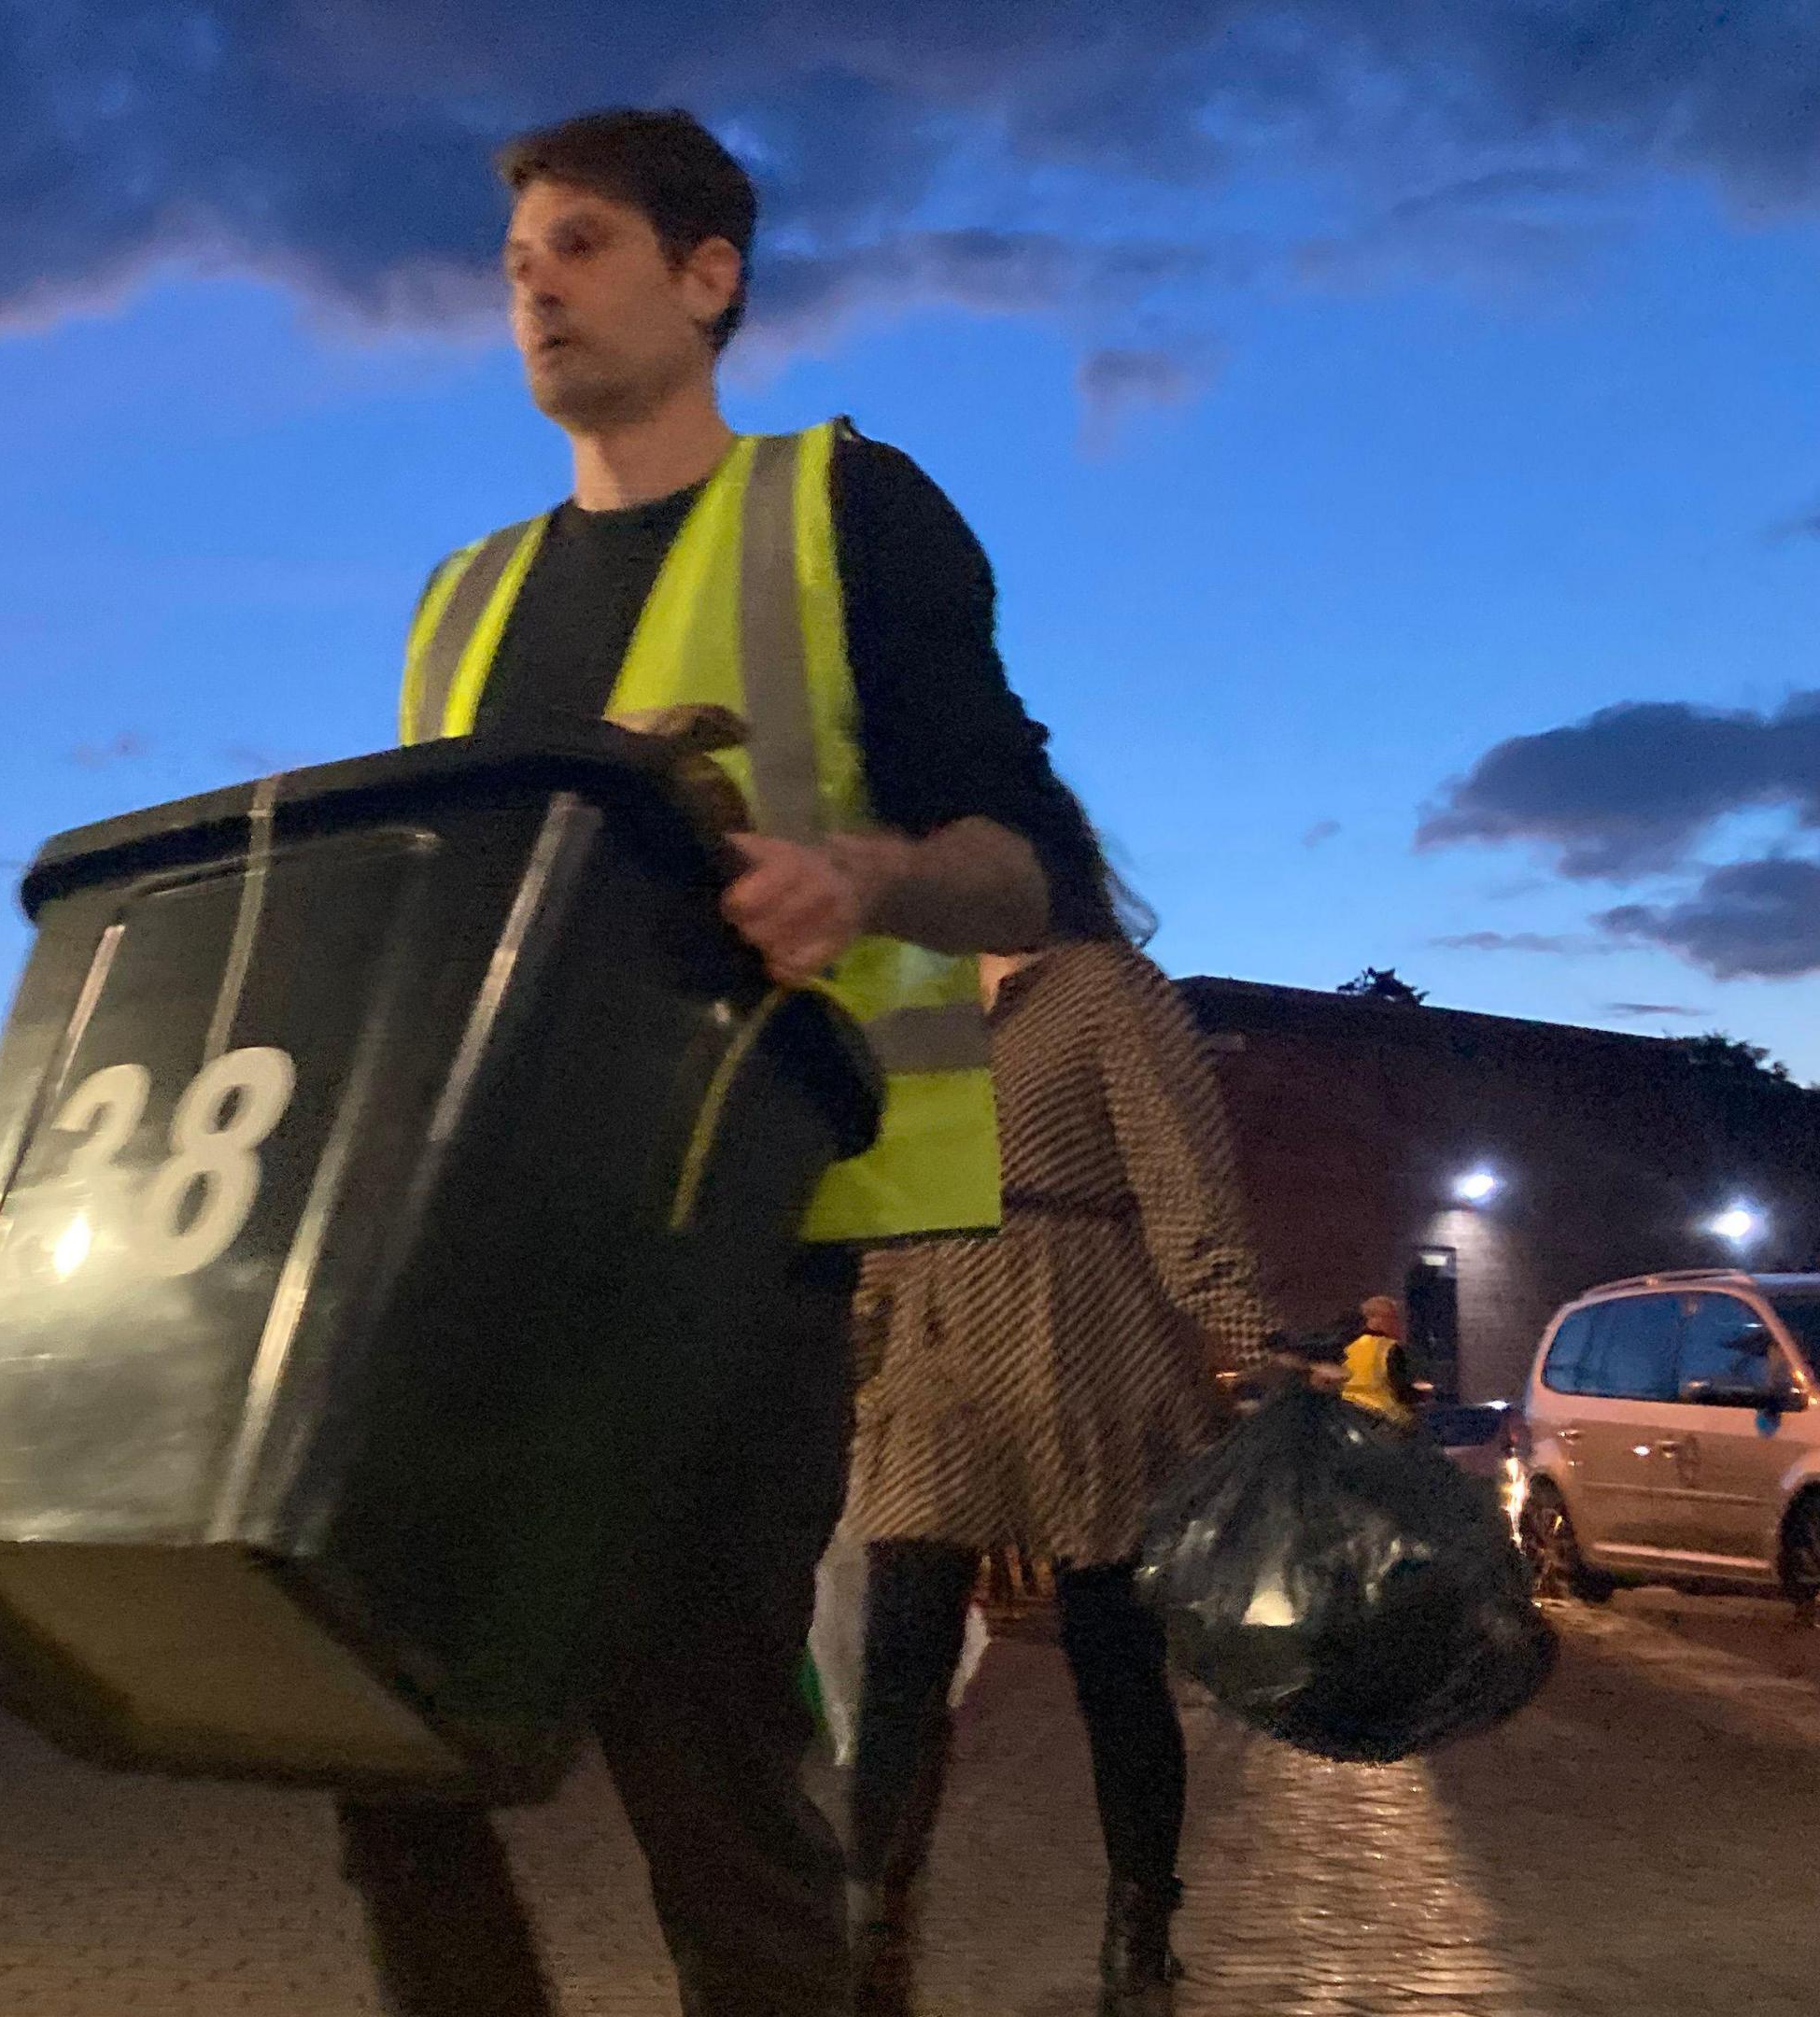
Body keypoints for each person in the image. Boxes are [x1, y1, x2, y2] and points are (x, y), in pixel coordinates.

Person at [344, 106, 1092, 2017]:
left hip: (743, 1249)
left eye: (582, 245)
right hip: (498, 1250)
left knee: (713, 1785)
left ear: (708, 274)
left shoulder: (847, 508)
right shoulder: (462, 600)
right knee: (375, 1729)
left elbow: (1035, 863)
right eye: (518, 261)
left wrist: (865, 874)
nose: (536, 289)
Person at [839, 827, 1286, 2017]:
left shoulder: (1104, 988)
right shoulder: (912, 998)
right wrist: (861, 1348)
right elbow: (887, 1188)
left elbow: (1180, 1167)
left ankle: (1141, 1926)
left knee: (1112, 1653)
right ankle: (868, 1920)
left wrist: (1238, 1333)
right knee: (902, 1651)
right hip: (939, 1344)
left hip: (1082, 1329)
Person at [1334, 1294, 1423, 1428]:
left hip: (1351, 1420)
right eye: (1393, 1318)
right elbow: (1405, 1389)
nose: (1397, 1323)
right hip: (1386, 1422)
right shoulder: (1391, 1349)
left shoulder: (1347, 1347)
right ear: (1379, 1319)